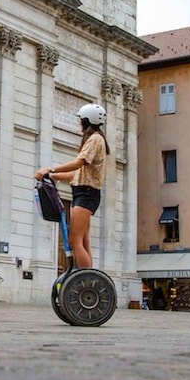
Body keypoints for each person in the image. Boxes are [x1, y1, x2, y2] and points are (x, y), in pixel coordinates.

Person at [34, 103, 109, 269]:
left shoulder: (95, 139)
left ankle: (85, 280)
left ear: (87, 120)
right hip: (84, 193)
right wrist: (52, 176)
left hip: (86, 194)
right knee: (83, 240)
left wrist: (50, 168)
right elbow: (76, 174)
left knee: (74, 240)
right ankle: (88, 277)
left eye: (81, 120)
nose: (79, 123)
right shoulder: (95, 139)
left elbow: (78, 163)